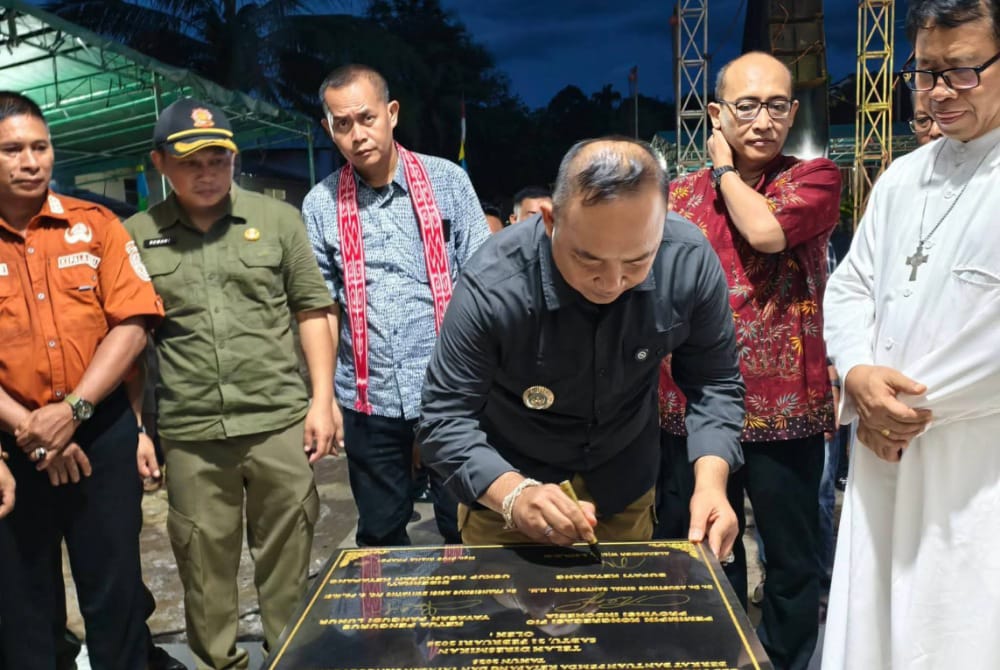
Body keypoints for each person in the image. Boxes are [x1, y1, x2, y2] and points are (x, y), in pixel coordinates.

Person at [417, 137, 743, 558]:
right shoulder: (494, 282)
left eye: (636, 262)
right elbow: (443, 417)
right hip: (508, 483)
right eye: (588, 260)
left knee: (624, 613)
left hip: (624, 482)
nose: (610, 283)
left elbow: (715, 381)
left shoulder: (689, 260)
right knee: (505, 617)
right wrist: (513, 495)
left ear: (662, 224)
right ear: (551, 221)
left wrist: (713, 485)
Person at [124, 97, 336, 669]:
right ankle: (221, 665)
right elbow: (131, 345)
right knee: (202, 567)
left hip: (278, 423)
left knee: (289, 560)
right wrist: (142, 430)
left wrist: (323, 400)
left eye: (219, 158)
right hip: (191, 435)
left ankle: (288, 660)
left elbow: (312, 309)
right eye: (191, 161)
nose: (208, 172)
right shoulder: (137, 236)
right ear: (160, 163)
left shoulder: (277, 221)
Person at [822, 0, 1000, 667]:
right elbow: (852, 286)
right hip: (883, 450)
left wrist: (900, 409)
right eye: (925, 72)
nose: (939, 92)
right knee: (874, 629)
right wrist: (861, 374)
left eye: (962, 71)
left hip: (974, 458)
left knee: (957, 630)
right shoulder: (901, 177)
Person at [655, 52, 840, 670]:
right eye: (746, 105)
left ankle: (787, 662)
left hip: (788, 407)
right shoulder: (676, 197)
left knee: (792, 558)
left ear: (793, 111)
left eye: (777, 105)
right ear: (716, 113)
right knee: (704, 552)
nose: (764, 119)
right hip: (694, 406)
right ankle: (720, 658)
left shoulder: (815, 179)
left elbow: (763, 232)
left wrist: (723, 168)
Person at [0, 91, 164, 670]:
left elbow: (133, 324)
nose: (30, 162)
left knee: (115, 590)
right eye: (12, 150)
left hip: (99, 434)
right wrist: (32, 429)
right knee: (21, 603)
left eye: (40, 147)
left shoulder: (96, 226)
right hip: (12, 448)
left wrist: (73, 411)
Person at [303, 64, 489, 547]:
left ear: (391, 113)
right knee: (381, 531)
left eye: (366, 118)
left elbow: (483, 284)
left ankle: (466, 622)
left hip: (454, 391)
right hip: (369, 397)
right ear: (329, 129)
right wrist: (323, 400)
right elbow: (322, 307)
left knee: (466, 524)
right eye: (342, 124)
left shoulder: (447, 181)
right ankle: (390, 623)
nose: (357, 134)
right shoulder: (321, 205)